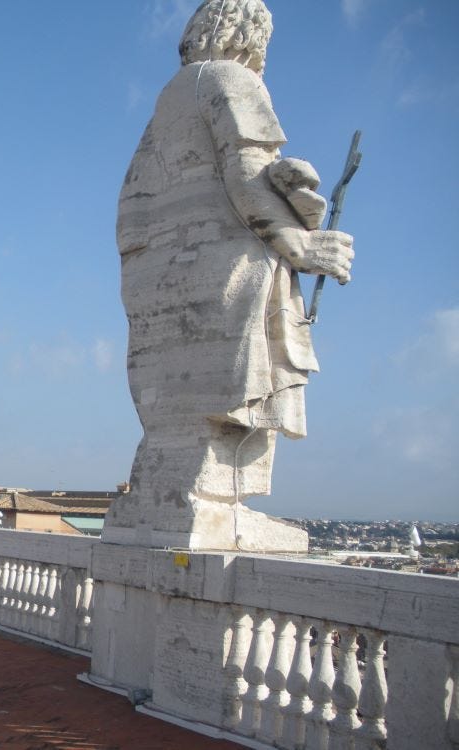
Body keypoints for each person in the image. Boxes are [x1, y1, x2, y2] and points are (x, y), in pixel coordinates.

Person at [109, 0, 354, 538]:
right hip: (224, 271)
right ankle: (214, 500)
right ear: (252, 34)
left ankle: (168, 498)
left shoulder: (167, 102)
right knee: (233, 392)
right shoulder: (230, 79)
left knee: (180, 410)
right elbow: (246, 175)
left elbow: (133, 211)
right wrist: (300, 246)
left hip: (160, 281)